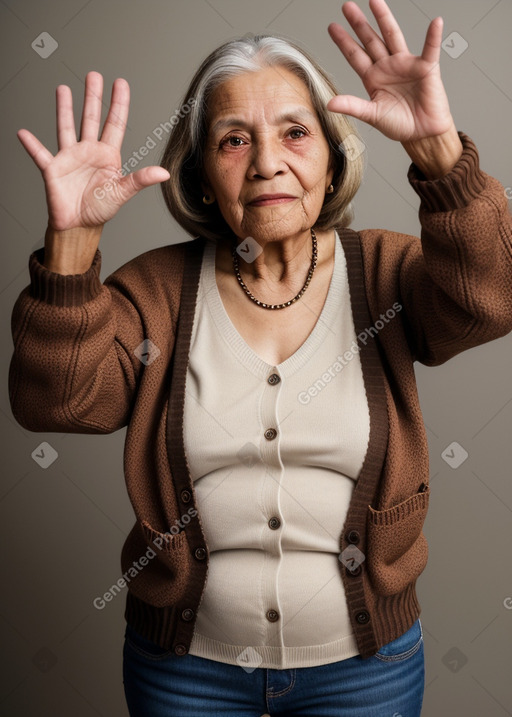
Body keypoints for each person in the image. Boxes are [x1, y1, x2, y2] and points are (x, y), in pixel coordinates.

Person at [9, 0, 512, 715]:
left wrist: (438, 155)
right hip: (185, 674)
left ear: (335, 153)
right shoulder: (155, 289)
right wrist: (71, 245)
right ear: (203, 175)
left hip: (362, 672)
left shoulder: (388, 274)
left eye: (295, 133)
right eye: (234, 140)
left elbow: (492, 298)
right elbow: (54, 400)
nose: (268, 162)